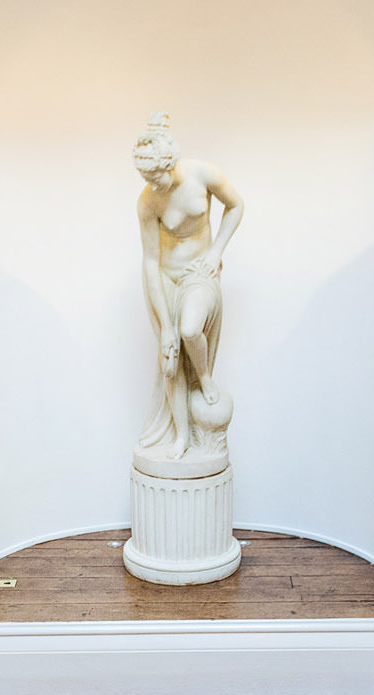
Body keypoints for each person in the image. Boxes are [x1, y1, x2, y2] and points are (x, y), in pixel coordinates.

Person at [132, 113, 243, 465]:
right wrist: (164, 324)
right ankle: (181, 436)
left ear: (171, 161)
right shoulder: (148, 201)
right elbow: (150, 261)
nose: (154, 184)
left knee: (190, 328)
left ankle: (206, 378)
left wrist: (215, 252)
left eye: (158, 175)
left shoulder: (203, 173)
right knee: (170, 361)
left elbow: (236, 206)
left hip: (199, 273)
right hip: (165, 277)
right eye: (147, 179)